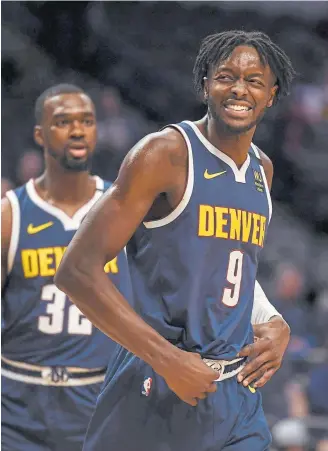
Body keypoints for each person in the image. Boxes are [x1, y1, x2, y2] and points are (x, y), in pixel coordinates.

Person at [55, 30, 294, 451]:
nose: (239, 88)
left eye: (254, 80)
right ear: (205, 84)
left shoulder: (263, 170)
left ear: (271, 95)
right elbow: (76, 270)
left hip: (236, 393)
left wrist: (275, 321)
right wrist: (166, 360)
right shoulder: (164, 154)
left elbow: (227, 262)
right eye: (226, 76)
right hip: (158, 382)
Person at [1, 84, 131, 451]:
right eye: (63, 121)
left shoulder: (122, 209)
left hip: (99, 399)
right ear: (40, 134)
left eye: (87, 121)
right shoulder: (10, 216)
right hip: (17, 403)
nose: (77, 130)